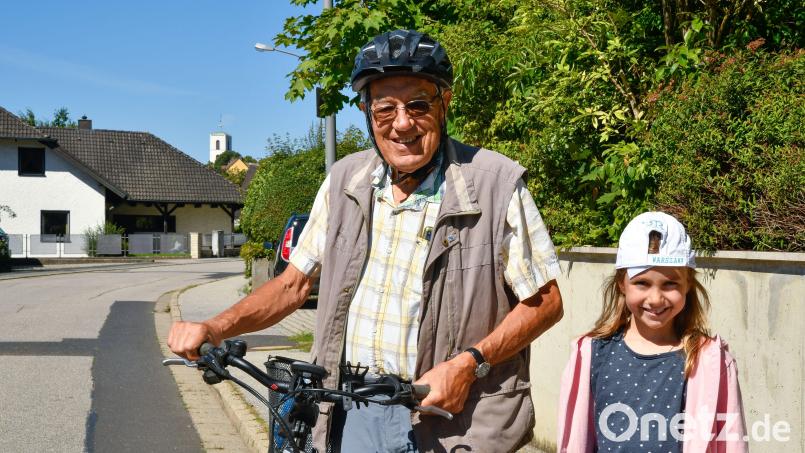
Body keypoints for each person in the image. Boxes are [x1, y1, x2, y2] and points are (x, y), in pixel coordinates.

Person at [169, 29, 564, 453]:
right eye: (384, 109)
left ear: (444, 103)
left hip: (455, 418)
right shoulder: (344, 181)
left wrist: (469, 364)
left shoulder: (495, 184)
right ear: (366, 112)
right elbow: (293, 284)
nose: (402, 123)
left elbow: (546, 302)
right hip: (349, 410)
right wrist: (214, 326)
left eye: (418, 105)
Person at [556, 212, 747, 452]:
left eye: (670, 284)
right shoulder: (590, 354)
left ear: (688, 285)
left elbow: (730, 441)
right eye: (642, 283)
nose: (656, 299)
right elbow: (575, 439)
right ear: (621, 283)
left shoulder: (710, 360)